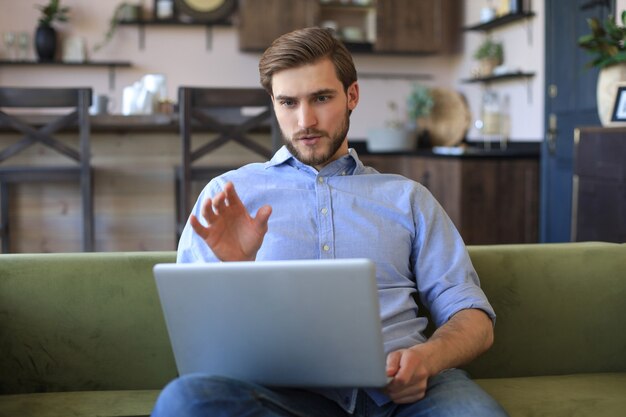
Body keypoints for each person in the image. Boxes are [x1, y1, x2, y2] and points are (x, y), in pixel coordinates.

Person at [152, 27, 508, 417]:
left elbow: (473, 319)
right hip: (285, 396)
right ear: (273, 104)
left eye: (321, 98)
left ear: (351, 95)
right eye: (288, 102)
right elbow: (197, 341)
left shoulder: (407, 198)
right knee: (186, 401)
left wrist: (428, 358)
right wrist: (232, 270)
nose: (305, 120)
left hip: (408, 393)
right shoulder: (229, 195)